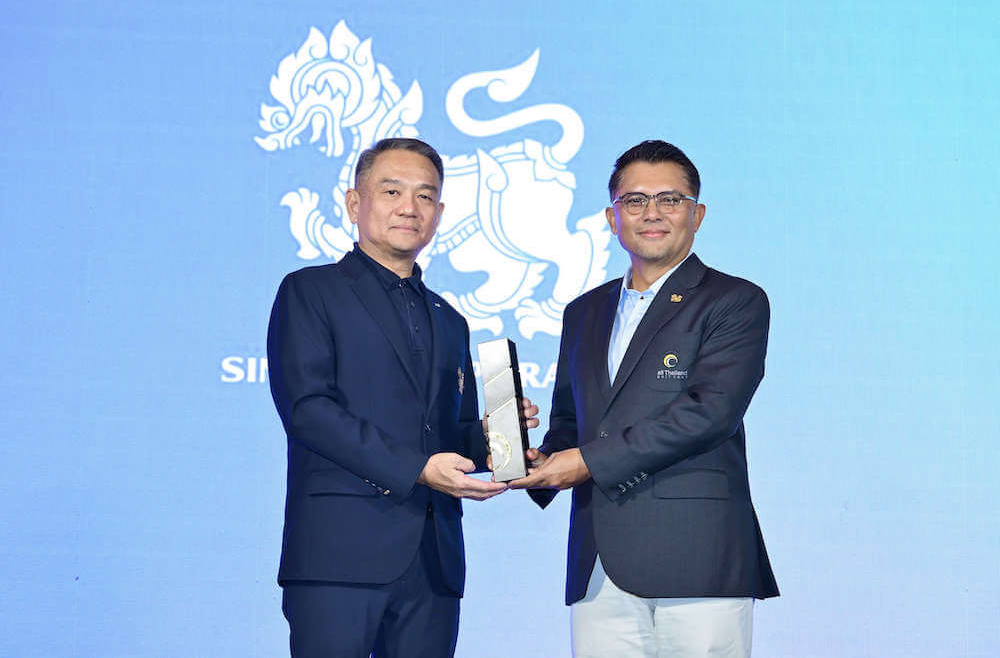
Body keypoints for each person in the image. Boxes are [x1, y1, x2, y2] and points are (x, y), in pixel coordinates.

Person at [267, 137, 538, 657]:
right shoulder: (310, 291)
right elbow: (308, 411)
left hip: (434, 562)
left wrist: (492, 440)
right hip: (339, 557)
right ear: (355, 203)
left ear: (439, 213)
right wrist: (418, 469)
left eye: (425, 196)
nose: (409, 208)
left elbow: (448, 433)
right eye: (392, 191)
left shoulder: (449, 319)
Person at [510, 140, 779, 657]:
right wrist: (536, 458)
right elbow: (571, 421)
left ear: (697, 214)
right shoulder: (584, 311)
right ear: (613, 218)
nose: (651, 213)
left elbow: (709, 413)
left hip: (698, 557)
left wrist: (585, 461)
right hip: (599, 564)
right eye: (634, 201)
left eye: (669, 199)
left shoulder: (735, 300)